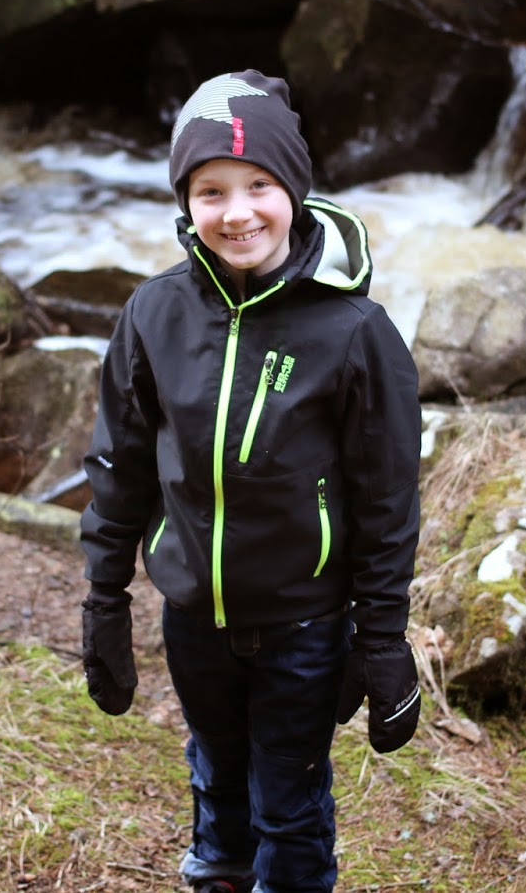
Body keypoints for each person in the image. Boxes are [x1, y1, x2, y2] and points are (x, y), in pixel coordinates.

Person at [78, 69, 423, 893]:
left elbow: (387, 501)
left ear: (295, 188)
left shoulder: (354, 331)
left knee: (289, 805)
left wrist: (381, 639)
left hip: (305, 625)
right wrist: (104, 599)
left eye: (258, 185)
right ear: (185, 201)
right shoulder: (154, 314)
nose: (237, 213)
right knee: (216, 778)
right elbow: (120, 465)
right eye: (211, 191)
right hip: (193, 619)